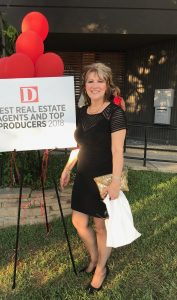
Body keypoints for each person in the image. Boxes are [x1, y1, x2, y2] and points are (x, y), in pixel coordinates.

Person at [60, 63, 127, 294]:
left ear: (107, 84)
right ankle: (95, 257)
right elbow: (80, 145)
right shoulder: (80, 113)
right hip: (83, 176)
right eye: (90, 81)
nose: (95, 85)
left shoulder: (115, 113)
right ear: (84, 86)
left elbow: (118, 151)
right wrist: (68, 168)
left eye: (100, 80)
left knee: (100, 226)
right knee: (79, 222)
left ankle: (100, 269)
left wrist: (116, 182)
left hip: (105, 178)